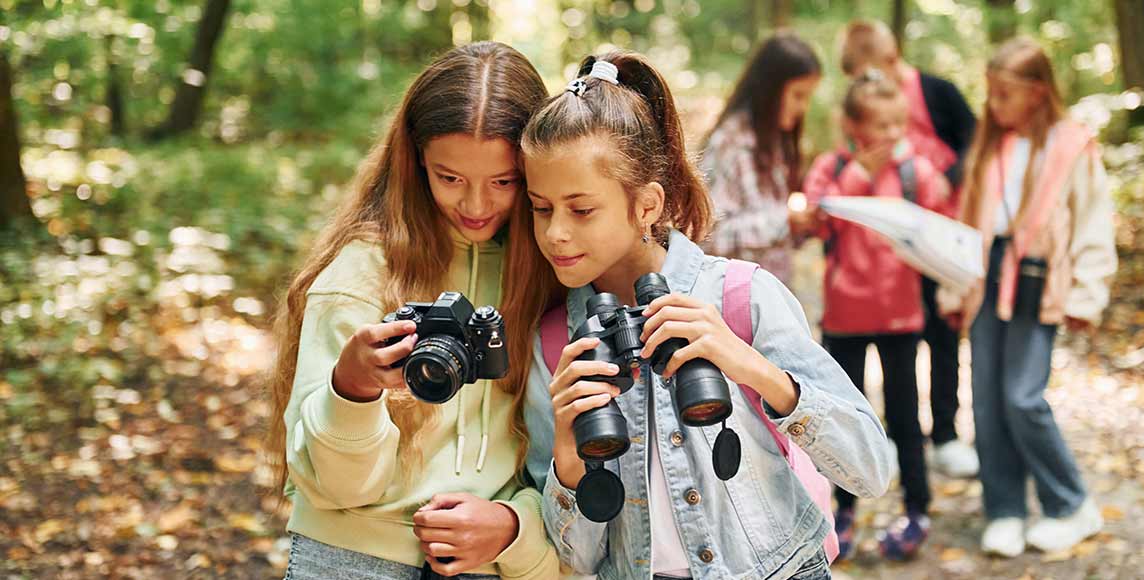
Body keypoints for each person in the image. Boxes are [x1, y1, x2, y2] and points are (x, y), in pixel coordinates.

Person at [517, 51, 893, 579]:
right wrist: (568, 456)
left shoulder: (743, 296)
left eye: (581, 210)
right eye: (540, 207)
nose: (555, 232)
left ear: (646, 205)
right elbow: (575, 558)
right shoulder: (556, 343)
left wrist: (751, 368)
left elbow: (870, 469)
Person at [266, 42, 558, 580]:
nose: (475, 205)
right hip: (351, 560)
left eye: (504, 182)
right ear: (416, 160)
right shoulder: (361, 276)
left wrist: (517, 529)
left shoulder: (556, 270)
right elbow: (333, 490)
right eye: (450, 178)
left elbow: (579, 453)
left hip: (492, 563)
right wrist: (352, 389)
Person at [939, 37, 1116, 558]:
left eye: (1004, 95)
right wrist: (955, 287)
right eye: (990, 95)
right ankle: (1006, 508)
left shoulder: (1072, 144)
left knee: (1022, 396)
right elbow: (967, 224)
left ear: (1038, 93)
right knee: (988, 399)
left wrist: (1088, 295)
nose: (994, 106)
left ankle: (1070, 503)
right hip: (987, 274)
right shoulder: (990, 147)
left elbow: (1093, 223)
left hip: (1041, 277)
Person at [801, 71, 953, 560]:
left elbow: (940, 230)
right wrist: (856, 179)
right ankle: (843, 509)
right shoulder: (832, 168)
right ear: (852, 124)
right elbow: (816, 219)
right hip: (844, 316)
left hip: (901, 319)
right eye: (879, 125)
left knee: (906, 416)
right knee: (846, 418)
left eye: (898, 124)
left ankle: (917, 508)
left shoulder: (917, 172)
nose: (891, 136)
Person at [838, 19, 980, 479]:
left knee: (942, 335)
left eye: (872, 74)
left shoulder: (938, 93)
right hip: (891, 243)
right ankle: (900, 437)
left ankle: (945, 433)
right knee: (902, 342)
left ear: (892, 60)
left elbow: (978, 144)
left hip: (942, 233)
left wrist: (948, 182)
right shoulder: (867, 115)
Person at [701, 31, 823, 283]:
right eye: (798, 95)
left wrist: (804, 226)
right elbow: (712, 237)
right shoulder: (731, 144)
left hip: (772, 296)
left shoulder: (777, 142)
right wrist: (784, 221)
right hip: (735, 302)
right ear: (770, 89)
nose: (803, 108)